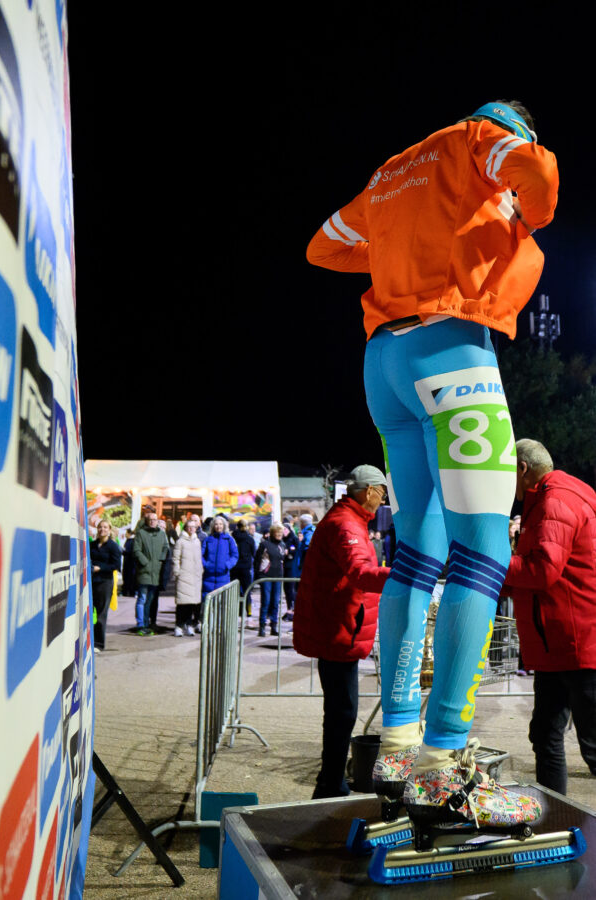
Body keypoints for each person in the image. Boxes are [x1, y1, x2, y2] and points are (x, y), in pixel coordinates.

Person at [308, 100, 558, 827]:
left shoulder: (393, 171)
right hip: (450, 343)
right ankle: (445, 766)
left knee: (415, 554)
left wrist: (398, 244)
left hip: (382, 360)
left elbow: (324, 245)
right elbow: (538, 174)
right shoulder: (480, 142)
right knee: (482, 548)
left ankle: (398, 746)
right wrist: (520, 210)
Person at [502, 439, 596, 795]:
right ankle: (553, 819)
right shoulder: (558, 495)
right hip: (560, 641)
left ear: (522, 469)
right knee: (545, 734)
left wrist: (494, 567)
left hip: (573, 640)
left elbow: (542, 571)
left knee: (589, 744)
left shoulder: (554, 500)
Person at [293, 466, 392, 798]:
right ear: (367, 492)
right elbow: (360, 572)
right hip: (337, 631)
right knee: (342, 711)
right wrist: (401, 577)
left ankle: (331, 781)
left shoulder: (349, 521)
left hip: (339, 629)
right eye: (381, 491)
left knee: (342, 709)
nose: (383, 499)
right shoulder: (345, 524)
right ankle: (329, 786)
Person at [132, 511, 169, 635]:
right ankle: (140, 624)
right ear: (147, 521)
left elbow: (166, 548)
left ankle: (146, 623)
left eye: (155, 519)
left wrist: (160, 561)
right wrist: (145, 563)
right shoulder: (141, 533)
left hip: (156, 573)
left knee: (149, 600)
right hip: (144, 572)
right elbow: (136, 550)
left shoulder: (162, 534)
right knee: (142, 598)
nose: (153, 521)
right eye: (151, 519)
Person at [89, 520, 122, 652]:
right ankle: (88, 641)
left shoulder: (113, 546)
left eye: (105, 527)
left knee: (101, 614)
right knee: (89, 613)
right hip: (91, 582)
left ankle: (98, 644)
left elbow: (116, 565)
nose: (102, 529)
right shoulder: (92, 545)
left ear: (109, 530)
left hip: (104, 582)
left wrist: (99, 568)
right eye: (100, 527)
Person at [201, 516, 238, 626]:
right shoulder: (208, 539)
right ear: (213, 526)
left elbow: (235, 555)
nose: (218, 526)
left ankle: (220, 625)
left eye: (220, 524)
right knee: (208, 603)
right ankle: (208, 626)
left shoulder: (229, 539)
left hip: (223, 576)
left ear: (224, 526)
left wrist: (227, 565)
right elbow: (201, 554)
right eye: (216, 524)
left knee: (222, 603)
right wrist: (206, 565)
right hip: (209, 576)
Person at [172, 515, 204, 636]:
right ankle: (179, 626)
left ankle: (189, 625)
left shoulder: (197, 541)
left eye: (193, 527)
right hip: (184, 576)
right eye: (189, 527)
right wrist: (177, 572)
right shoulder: (180, 541)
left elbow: (199, 559)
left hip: (195, 576)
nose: (191, 529)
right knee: (182, 604)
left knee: (192, 604)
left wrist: (200, 570)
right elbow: (176, 558)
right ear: (185, 528)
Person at [254, 525, 286, 637]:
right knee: (266, 601)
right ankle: (262, 626)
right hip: (266, 576)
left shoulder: (282, 545)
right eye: (277, 532)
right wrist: (258, 575)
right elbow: (257, 559)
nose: (279, 535)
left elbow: (283, 560)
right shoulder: (264, 544)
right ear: (273, 533)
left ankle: (274, 626)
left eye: (281, 533)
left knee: (275, 602)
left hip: (278, 576)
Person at [286, 514, 316, 620]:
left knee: (301, 595)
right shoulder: (311, 532)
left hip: (302, 571)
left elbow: (307, 551)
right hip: (302, 570)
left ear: (303, 523)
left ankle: (301, 619)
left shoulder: (308, 534)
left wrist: (303, 566)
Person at [230, 519, 256, 617]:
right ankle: (248, 611)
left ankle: (236, 610)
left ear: (237, 526)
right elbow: (253, 553)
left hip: (234, 568)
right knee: (247, 591)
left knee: (234, 591)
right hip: (245, 568)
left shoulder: (232, 538)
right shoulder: (250, 539)